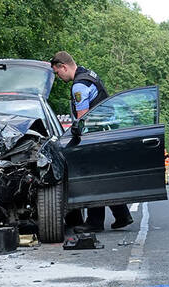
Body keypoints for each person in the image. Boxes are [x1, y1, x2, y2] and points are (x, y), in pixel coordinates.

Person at [50, 51, 133, 232]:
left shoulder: (79, 86)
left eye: (57, 72)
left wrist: (72, 138)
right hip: (105, 133)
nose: (58, 77)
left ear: (63, 67)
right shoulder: (89, 75)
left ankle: (94, 223)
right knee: (104, 177)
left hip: (93, 137)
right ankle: (122, 215)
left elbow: (83, 118)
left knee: (91, 178)